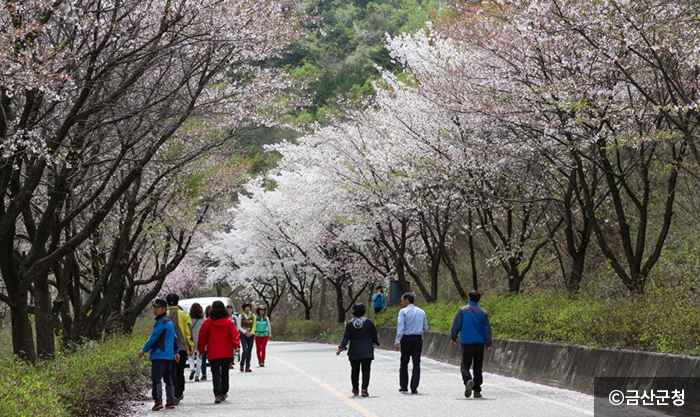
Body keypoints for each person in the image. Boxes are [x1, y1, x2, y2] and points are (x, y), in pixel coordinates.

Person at [450, 290, 492, 399]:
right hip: (479, 344)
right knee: (478, 367)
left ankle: (468, 380)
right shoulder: (483, 313)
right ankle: (477, 390)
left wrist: (453, 338)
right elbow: (487, 329)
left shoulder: (462, 311)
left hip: (467, 343)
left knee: (465, 365)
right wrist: (488, 343)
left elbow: (456, 325)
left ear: (469, 298)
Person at [140, 298, 179, 411]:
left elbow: (153, 338)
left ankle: (158, 401)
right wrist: (175, 352)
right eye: (154, 307)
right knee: (169, 379)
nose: (155, 310)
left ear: (163, 309)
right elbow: (174, 338)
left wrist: (144, 349)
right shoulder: (170, 322)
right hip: (169, 356)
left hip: (159, 355)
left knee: (156, 379)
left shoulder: (161, 322)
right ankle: (170, 401)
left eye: (157, 308)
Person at [198, 301, 240, 404]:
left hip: (213, 352)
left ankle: (217, 394)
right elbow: (234, 335)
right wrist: (236, 346)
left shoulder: (208, 322)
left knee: (215, 373)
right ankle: (224, 393)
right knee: (225, 373)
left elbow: (202, 337)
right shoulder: (229, 323)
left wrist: (201, 349)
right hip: (226, 352)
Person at [336, 304, 379, 397]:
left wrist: (341, 347)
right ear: (364, 311)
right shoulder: (369, 323)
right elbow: (374, 335)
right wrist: (376, 342)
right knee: (366, 371)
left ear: (353, 312)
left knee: (354, 371)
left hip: (354, 351)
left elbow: (346, 337)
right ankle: (364, 390)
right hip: (367, 351)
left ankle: (355, 389)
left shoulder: (350, 324)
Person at [394, 292, 428, 394]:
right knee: (416, 363)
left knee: (404, 362)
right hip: (418, 339)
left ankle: (404, 386)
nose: (401, 302)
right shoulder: (421, 312)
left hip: (406, 339)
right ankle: (414, 387)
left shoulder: (403, 312)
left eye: (402, 300)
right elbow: (425, 327)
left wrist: (397, 341)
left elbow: (401, 327)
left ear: (407, 300)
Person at [166, 293, 194, 404]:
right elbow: (188, 332)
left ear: (167, 303)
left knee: (169, 371)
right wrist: (191, 345)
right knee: (179, 371)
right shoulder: (184, 315)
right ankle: (178, 393)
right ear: (178, 302)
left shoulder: (164, 314)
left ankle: (172, 393)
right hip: (182, 347)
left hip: (167, 348)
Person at [235, 302, 256, 372]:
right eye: (246, 307)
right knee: (245, 350)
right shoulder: (240, 316)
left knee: (249, 351)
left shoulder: (253, 316)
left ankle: (247, 366)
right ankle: (242, 364)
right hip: (243, 335)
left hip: (251, 335)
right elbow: (238, 326)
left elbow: (254, 326)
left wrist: (251, 333)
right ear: (244, 308)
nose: (248, 309)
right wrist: (245, 332)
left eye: (249, 307)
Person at [188, 303, 205, 381]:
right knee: (199, 357)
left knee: (190, 356)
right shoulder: (203, 318)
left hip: (191, 339)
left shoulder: (189, 318)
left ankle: (192, 368)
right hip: (200, 339)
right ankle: (197, 375)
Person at [201, 305, 212, 381]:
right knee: (212, 360)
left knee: (203, 360)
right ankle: (215, 371)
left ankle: (204, 374)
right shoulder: (214, 320)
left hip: (206, 343)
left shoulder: (205, 321)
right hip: (212, 343)